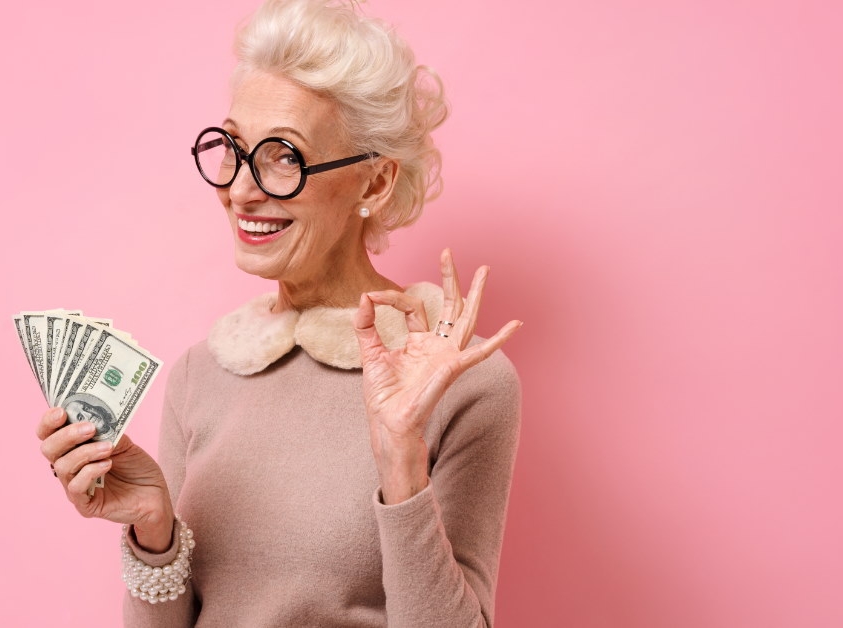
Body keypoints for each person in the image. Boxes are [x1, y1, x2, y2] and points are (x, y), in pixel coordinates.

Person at [37, 1, 522, 625]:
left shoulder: (465, 383)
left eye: (285, 156)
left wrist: (400, 457)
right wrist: (153, 528)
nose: (240, 189)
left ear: (373, 184)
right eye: (234, 149)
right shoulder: (199, 375)